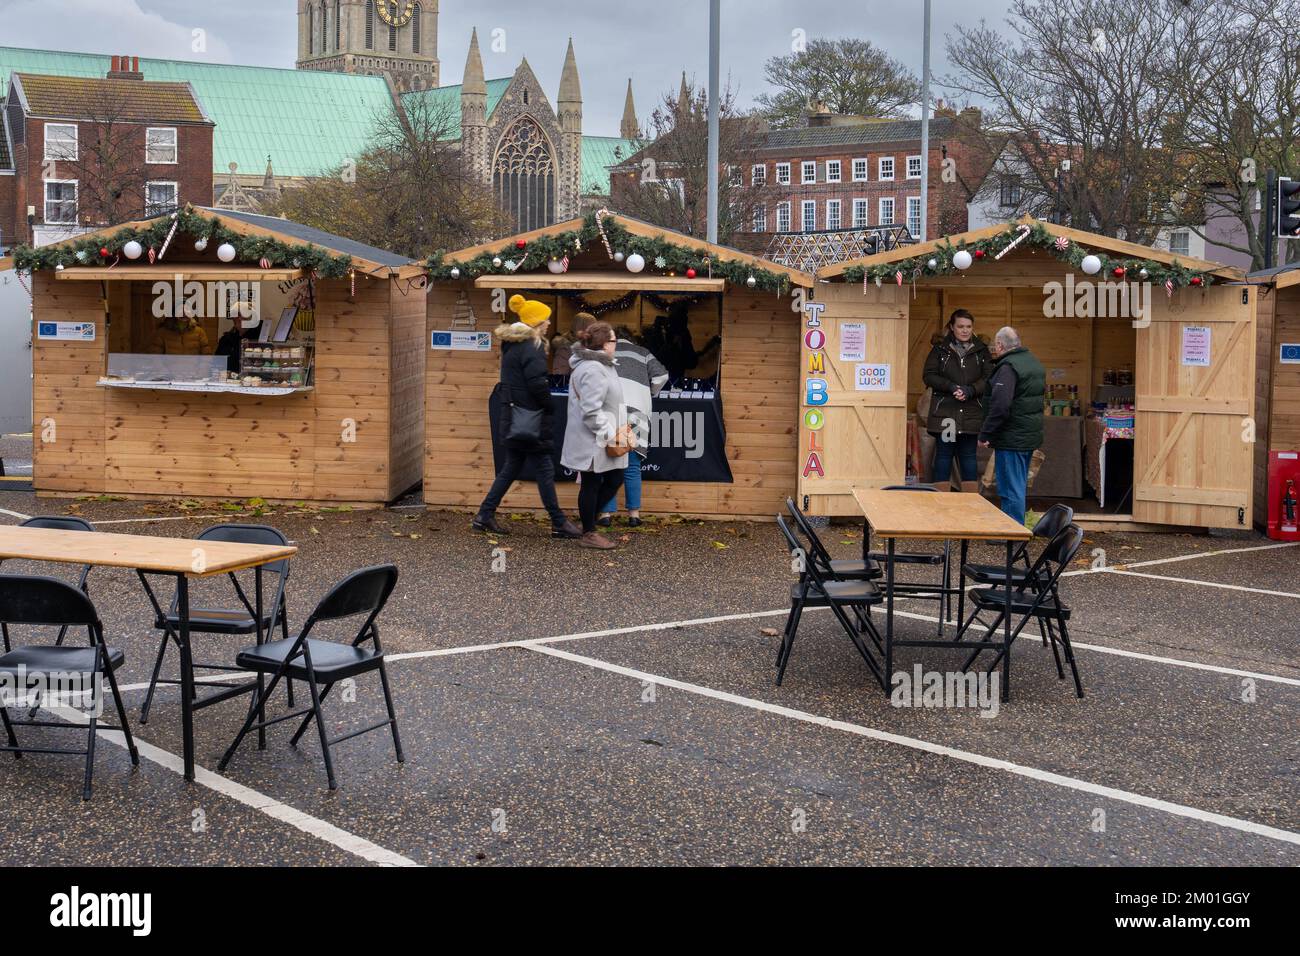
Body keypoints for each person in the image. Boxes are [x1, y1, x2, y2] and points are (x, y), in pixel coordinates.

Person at [472, 295, 582, 540]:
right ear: (536, 322)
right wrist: (550, 405)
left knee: (511, 467)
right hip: (530, 417)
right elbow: (536, 383)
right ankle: (558, 522)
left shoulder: (513, 344)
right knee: (543, 467)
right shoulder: (532, 346)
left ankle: (484, 514)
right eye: (545, 319)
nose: (548, 323)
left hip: (515, 415)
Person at [561, 321, 629, 550]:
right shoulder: (593, 369)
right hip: (594, 439)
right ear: (603, 344)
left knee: (613, 479)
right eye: (613, 340)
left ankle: (587, 524)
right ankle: (589, 532)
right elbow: (591, 410)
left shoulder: (601, 365)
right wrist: (611, 435)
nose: (616, 345)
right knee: (592, 483)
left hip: (601, 437)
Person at [598, 325, 669, 528]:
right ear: (632, 338)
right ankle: (634, 514)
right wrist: (649, 393)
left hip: (610, 412)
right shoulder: (643, 353)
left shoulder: (604, 354)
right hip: (637, 413)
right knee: (632, 467)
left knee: (608, 464)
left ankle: (605, 515)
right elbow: (662, 376)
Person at [978, 326, 1045, 525]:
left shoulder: (1008, 367)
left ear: (999, 345)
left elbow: (1000, 406)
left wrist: (986, 433)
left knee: (1010, 488)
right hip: (1026, 435)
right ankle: (1015, 530)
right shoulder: (1032, 362)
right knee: (1019, 485)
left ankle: (1012, 534)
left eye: (995, 346)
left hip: (1011, 437)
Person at [923, 309, 992, 492]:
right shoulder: (940, 350)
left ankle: (971, 501)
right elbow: (929, 376)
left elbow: (988, 379)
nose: (965, 330)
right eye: (960, 326)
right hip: (946, 413)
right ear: (952, 327)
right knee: (944, 455)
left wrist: (970, 390)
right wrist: (951, 387)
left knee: (968, 456)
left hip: (971, 413)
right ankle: (941, 500)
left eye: (968, 327)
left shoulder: (981, 351)